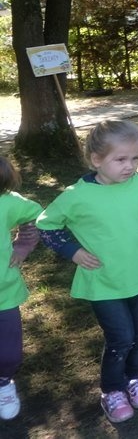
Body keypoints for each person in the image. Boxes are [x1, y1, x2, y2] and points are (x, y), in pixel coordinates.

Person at [36, 121, 138, 424]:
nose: (130, 166)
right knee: (121, 338)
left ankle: (134, 379)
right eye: (120, 159)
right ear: (97, 159)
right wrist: (73, 252)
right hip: (103, 284)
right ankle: (112, 391)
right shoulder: (76, 196)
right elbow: (47, 225)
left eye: (135, 158)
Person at [0, 156, 41, 421]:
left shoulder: (7, 203)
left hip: (4, 293)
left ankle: (3, 382)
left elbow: (35, 215)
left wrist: (24, 244)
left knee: (8, 352)